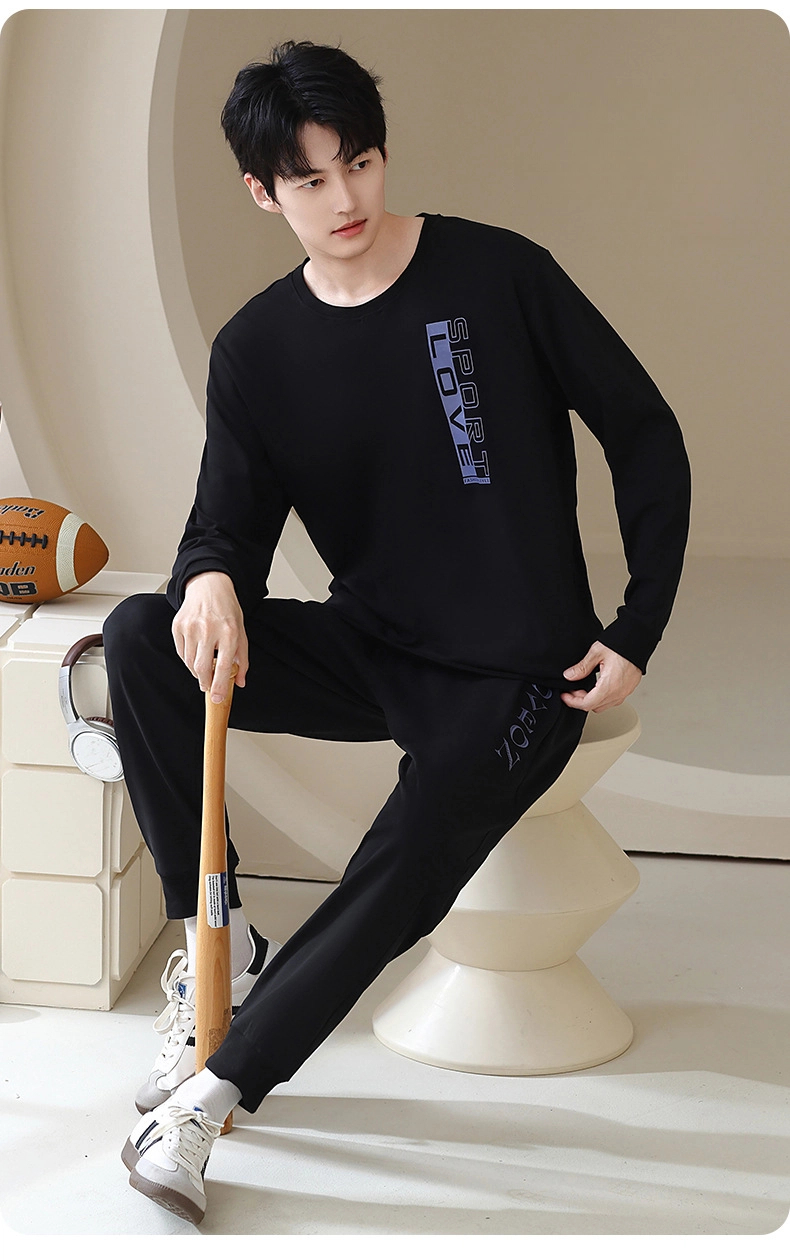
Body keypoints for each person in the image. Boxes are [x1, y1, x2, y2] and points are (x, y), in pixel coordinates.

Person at [104, 38, 691, 1224]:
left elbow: (643, 430)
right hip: (373, 646)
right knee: (137, 637)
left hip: (521, 672)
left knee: (403, 858)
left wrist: (639, 624)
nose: (346, 199)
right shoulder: (258, 350)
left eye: (360, 163)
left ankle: (214, 1096)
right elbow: (226, 523)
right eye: (311, 180)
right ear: (262, 193)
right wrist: (207, 578)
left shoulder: (498, 274)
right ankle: (217, 941)